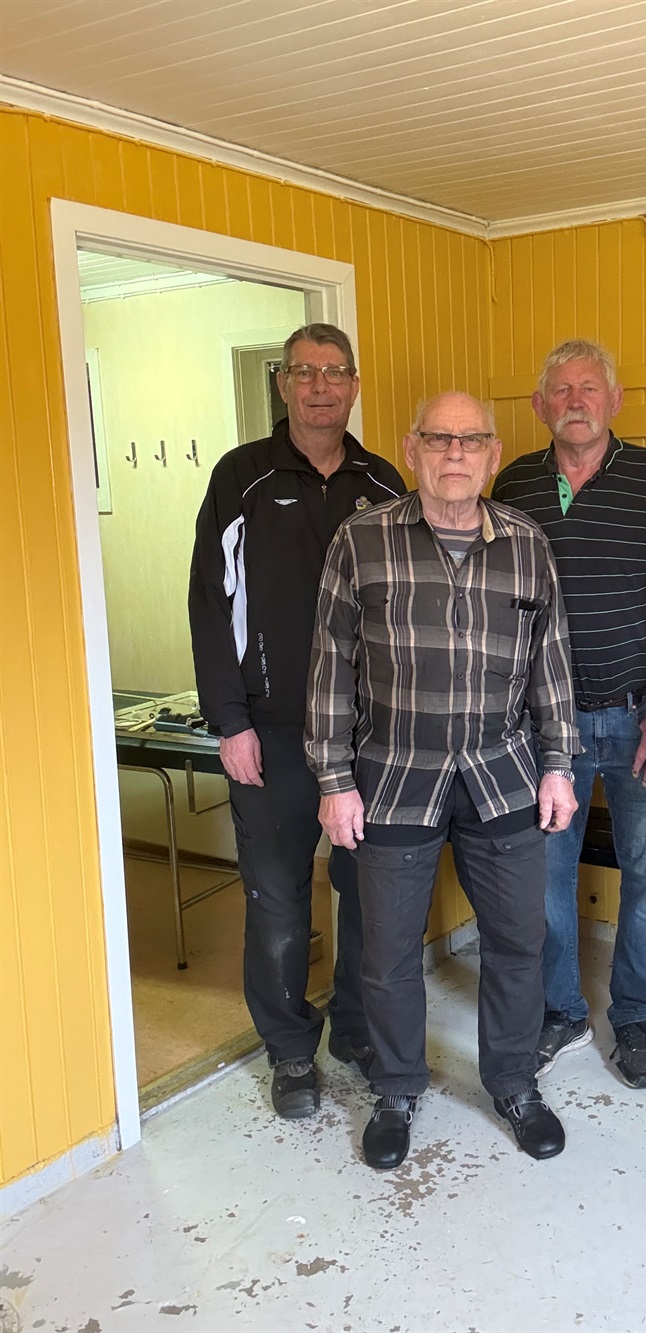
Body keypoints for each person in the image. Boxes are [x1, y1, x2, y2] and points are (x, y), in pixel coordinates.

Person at [305, 392, 580, 1170]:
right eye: (438, 438)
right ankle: (396, 1088)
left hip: (504, 773)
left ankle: (514, 1082)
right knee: (388, 950)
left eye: (471, 440)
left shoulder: (526, 543)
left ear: (494, 454)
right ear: (412, 449)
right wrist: (333, 778)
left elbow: (551, 663)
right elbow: (329, 665)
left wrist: (559, 765)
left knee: (518, 941)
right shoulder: (361, 540)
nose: (455, 452)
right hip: (393, 775)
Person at [189, 322, 405, 1120]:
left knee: (370, 893)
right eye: (304, 371)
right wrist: (229, 721)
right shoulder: (240, 478)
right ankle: (288, 1050)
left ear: (354, 384)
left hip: (370, 734)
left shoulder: (384, 483)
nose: (319, 385)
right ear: (282, 383)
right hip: (272, 733)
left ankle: (355, 1027)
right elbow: (210, 605)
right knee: (278, 900)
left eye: (334, 371)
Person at [493, 340, 646, 1088]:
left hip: (645, 718)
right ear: (539, 406)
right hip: (547, 729)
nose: (575, 400)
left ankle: (636, 1017)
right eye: (561, 389)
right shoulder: (512, 485)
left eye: (589, 388)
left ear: (615, 400)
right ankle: (561, 1011)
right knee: (547, 876)